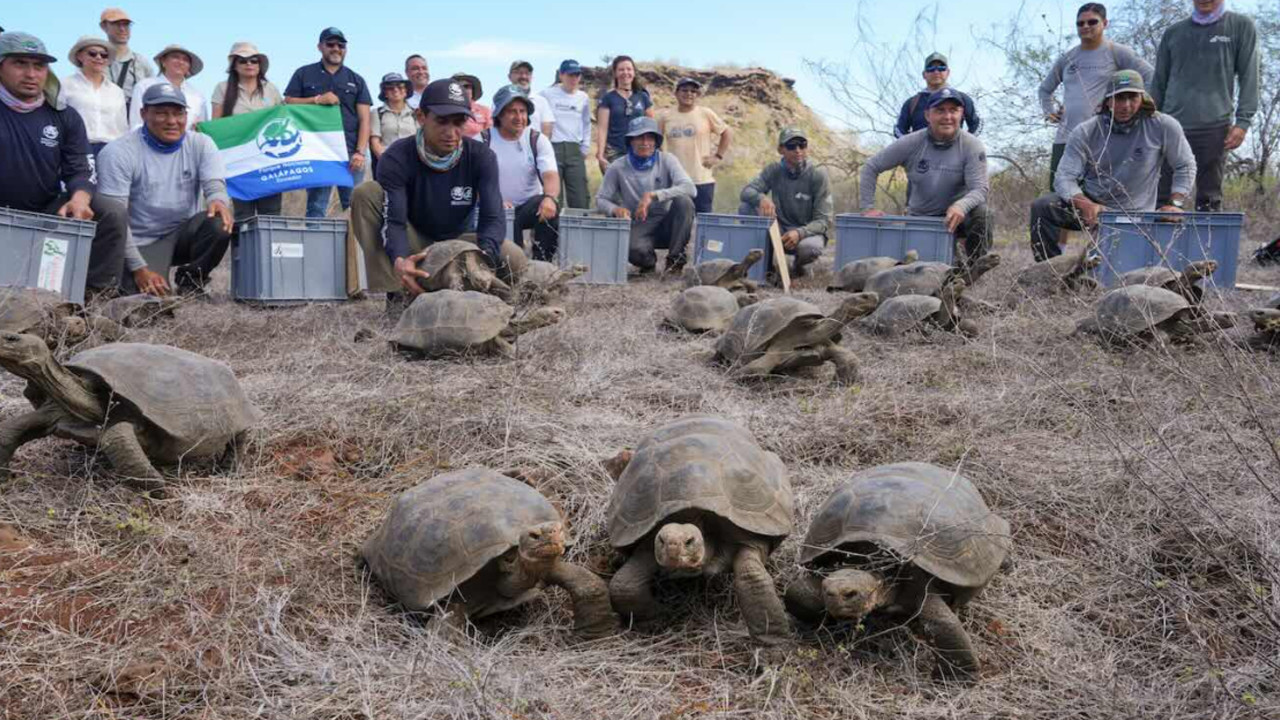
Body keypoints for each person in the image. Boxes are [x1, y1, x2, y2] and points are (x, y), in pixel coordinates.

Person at [349, 78, 525, 314]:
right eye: (441, 121)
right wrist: (400, 259)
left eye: (459, 122)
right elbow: (395, 222)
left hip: (459, 241)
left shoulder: (481, 156)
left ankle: (472, 291)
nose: (451, 132)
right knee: (365, 193)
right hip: (416, 242)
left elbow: (493, 216)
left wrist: (484, 257)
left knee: (514, 258)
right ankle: (399, 290)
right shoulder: (396, 157)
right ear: (421, 117)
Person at [0, 32, 127, 297]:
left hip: (45, 211)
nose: (31, 74)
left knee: (111, 212)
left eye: (39, 66)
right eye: (20, 64)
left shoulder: (64, 115)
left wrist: (80, 199)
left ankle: (96, 299)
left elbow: (81, 167)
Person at [1030, 70, 1195, 261]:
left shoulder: (1164, 125)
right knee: (1043, 207)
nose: (1126, 105)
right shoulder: (1086, 131)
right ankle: (1049, 269)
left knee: (1128, 264)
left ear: (1142, 98)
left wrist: (1175, 203)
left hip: (1139, 213)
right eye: (1119, 98)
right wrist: (1084, 204)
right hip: (1095, 207)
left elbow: (1185, 165)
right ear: (1108, 101)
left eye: (1132, 97)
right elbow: (1064, 177)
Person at [98, 83, 233, 296]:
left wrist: (218, 200)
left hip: (180, 234)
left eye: (179, 113)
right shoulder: (117, 153)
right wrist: (139, 269)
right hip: (135, 239)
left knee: (218, 223)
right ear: (144, 114)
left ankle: (191, 282)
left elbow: (214, 185)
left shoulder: (202, 143)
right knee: (145, 301)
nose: (172, 121)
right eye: (161, 113)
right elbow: (115, 222)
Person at [862, 90, 991, 267]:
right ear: (927, 115)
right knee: (920, 269)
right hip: (922, 218)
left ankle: (975, 269)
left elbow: (980, 188)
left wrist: (961, 205)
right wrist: (867, 208)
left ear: (961, 114)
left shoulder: (972, 145)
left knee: (983, 214)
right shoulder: (911, 142)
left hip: (958, 218)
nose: (947, 117)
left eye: (953, 110)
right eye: (940, 110)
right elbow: (871, 166)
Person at [1152, 0, 1258, 211]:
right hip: (1171, 126)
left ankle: (1206, 235)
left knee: (1208, 200)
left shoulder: (1240, 26)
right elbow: (1159, 82)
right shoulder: (1174, 32)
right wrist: (1150, 120)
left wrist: (1243, 122)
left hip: (1215, 126)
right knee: (1162, 198)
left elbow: (1249, 76)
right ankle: (1161, 234)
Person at [1039, 3, 1153, 185]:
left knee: (1101, 196)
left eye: (1092, 22)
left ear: (1105, 23)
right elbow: (1045, 90)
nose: (1085, 26)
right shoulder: (1067, 58)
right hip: (1066, 139)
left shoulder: (1117, 52)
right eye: (1080, 23)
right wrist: (1050, 112)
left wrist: (1135, 108)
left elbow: (1151, 77)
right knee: (1059, 195)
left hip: (1103, 138)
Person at [284, 27, 372, 217]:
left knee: (355, 208)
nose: (336, 48)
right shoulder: (303, 73)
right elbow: (288, 103)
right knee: (316, 207)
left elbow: (365, 119)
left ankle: (353, 239)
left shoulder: (357, 79)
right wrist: (317, 99)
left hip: (350, 153)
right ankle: (315, 238)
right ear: (320, 47)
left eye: (341, 45)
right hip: (318, 152)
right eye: (330, 44)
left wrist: (360, 152)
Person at [596, 116, 696, 274]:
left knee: (684, 202)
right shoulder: (617, 166)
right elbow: (601, 199)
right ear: (630, 141)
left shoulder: (667, 160)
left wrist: (653, 195)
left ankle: (675, 262)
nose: (645, 142)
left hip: (667, 221)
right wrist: (615, 210)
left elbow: (690, 188)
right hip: (640, 223)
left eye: (650, 138)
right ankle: (648, 263)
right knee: (633, 249)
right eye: (639, 138)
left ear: (656, 142)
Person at [740, 127, 833, 277]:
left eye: (802, 145)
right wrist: (761, 198)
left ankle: (799, 266)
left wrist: (800, 233)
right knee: (746, 208)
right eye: (791, 146)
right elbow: (746, 191)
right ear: (780, 149)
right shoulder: (773, 170)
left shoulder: (818, 174)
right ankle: (765, 267)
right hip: (778, 229)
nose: (798, 150)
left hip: (806, 233)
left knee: (810, 248)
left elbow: (824, 221)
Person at [483, 84, 560, 261]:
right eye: (512, 111)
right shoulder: (483, 140)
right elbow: (472, 182)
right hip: (493, 208)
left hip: (527, 207)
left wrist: (550, 198)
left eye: (523, 111)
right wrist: (494, 201)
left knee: (551, 207)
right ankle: (513, 265)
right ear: (499, 114)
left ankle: (542, 264)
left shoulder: (537, 139)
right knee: (512, 260)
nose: (519, 117)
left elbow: (550, 175)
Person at [210, 42, 284, 221]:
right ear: (234, 66)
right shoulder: (222, 88)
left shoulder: (271, 89)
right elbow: (216, 125)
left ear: (260, 65)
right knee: (244, 215)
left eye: (253, 60)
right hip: (239, 163)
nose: (249, 64)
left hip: (268, 160)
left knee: (271, 214)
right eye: (243, 61)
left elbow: (282, 120)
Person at [659, 77, 731, 214]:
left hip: (702, 180)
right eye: (684, 90)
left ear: (697, 95)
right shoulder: (665, 117)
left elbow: (727, 132)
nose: (689, 94)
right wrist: (663, 160)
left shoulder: (706, 113)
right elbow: (656, 141)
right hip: (676, 181)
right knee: (677, 220)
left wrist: (718, 156)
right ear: (676, 93)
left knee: (703, 222)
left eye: (693, 91)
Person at [61, 35, 128, 156]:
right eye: (92, 53)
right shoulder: (65, 85)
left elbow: (122, 127)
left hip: (112, 150)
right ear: (79, 56)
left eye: (104, 55)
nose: (99, 57)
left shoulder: (116, 91)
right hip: (76, 148)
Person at [542, 59, 592, 209]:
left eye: (577, 75)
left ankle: (581, 223)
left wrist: (585, 146)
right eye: (570, 75)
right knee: (554, 195)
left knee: (580, 196)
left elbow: (586, 122)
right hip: (553, 147)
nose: (573, 79)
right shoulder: (547, 94)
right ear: (561, 75)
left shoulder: (583, 97)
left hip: (574, 149)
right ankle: (553, 224)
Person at [895, 52, 981, 138]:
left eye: (941, 68)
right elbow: (899, 130)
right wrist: (911, 145)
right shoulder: (912, 103)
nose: (936, 72)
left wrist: (965, 143)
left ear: (948, 72)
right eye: (931, 69)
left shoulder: (962, 99)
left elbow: (977, 125)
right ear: (924, 74)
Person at [595, 55, 653, 173]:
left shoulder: (643, 97)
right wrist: (600, 154)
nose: (625, 73)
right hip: (614, 152)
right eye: (621, 70)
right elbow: (602, 128)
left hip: (639, 151)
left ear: (634, 72)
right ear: (615, 73)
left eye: (629, 69)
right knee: (618, 184)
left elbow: (651, 126)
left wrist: (653, 149)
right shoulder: (608, 98)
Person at [128, 44, 206, 130]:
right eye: (175, 57)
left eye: (185, 60)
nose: (181, 62)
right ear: (163, 61)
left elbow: (202, 129)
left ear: (189, 67)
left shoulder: (198, 96)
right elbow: (136, 124)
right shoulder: (144, 86)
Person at [99, 7, 153, 114]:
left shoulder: (141, 62)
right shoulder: (96, 59)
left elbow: (153, 94)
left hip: (137, 118)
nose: (122, 29)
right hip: (106, 117)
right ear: (104, 26)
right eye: (116, 24)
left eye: (126, 24)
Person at [370, 73, 415, 166]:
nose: (395, 90)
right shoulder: (377, 113)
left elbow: (421, 140)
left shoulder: (415, 113)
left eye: (400, 87)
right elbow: (375, 142)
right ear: (385, 93)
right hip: (388, 162)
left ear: (405, 91)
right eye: (390, 88)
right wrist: (387, 161)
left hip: (412, 162)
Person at [507, 60, 553, 136]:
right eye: (518, 73)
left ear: (531, 77)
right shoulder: (500, 101)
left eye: (527, 73)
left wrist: (541, 143)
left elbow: (546, 127)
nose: (523, 76)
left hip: (534, 143)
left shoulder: (541, 101)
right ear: (509, 77)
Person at [451, 73, 491, 138]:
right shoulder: (445, 110)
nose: (462, 89)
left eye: (466, 86)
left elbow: (491, 133)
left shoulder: (485, 111)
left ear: (473, 90)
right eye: (458, 87)